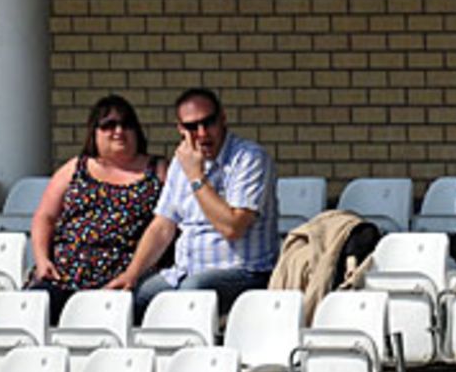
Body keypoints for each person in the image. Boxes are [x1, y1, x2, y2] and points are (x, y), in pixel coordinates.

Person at [107, 87, 279, 316]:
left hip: (244, 272)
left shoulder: (249, 158)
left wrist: (196, 177)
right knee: (130, 300)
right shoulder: (182, 163)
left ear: (223, 119)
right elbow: (162, 227)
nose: (202, 133)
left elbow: (232, 227)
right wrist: (131, 274)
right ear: (180, 129)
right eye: (192, 127)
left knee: (192, 293)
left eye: (209, 122)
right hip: (184, 272)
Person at [28, 94, 166, 321]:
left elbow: (171, 221)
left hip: (123, 279)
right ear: (94, 131)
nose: (119, 131)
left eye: (126, 124)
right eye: (108, 125)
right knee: (32, 313)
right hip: (64, 276)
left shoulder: (158, 170)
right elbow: (45, 217)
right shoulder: (76, 167)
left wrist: (133, 273)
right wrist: (42, 261)